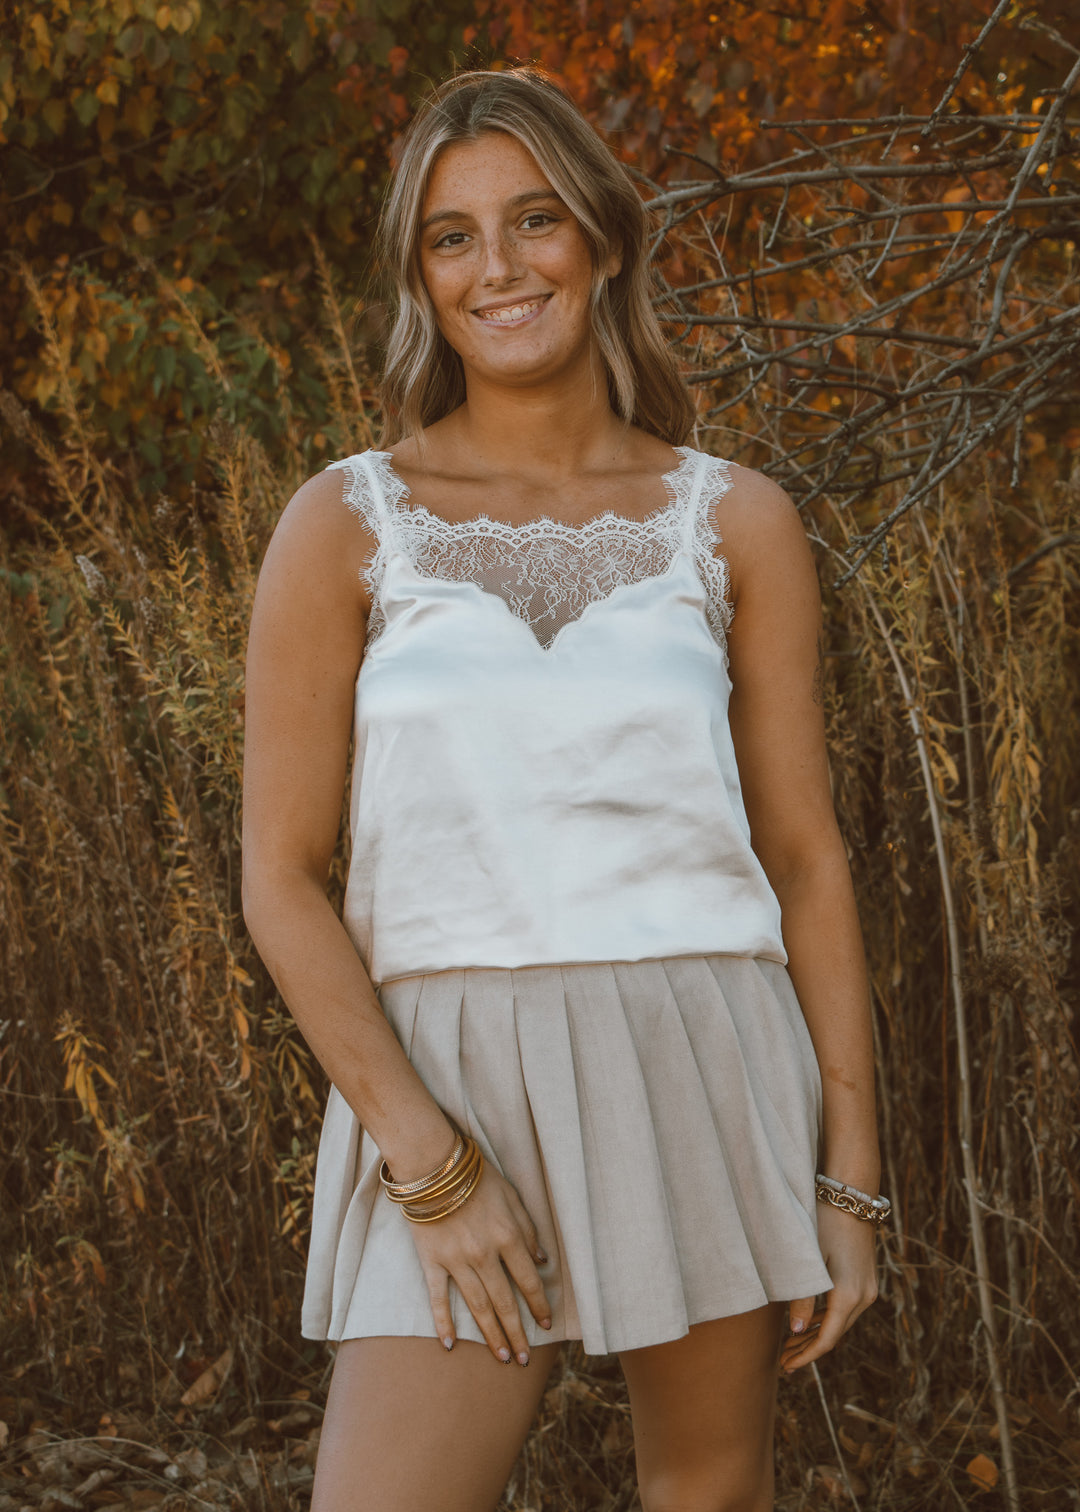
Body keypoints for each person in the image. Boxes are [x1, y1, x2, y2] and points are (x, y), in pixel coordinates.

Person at [241, 65, 885, 1512]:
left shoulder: (736, 520)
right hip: (445, 1068)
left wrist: (851, 1181)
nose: (500, 267)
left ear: (600, 238)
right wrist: (426, 1161)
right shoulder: (345, 521)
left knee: (707, 1496)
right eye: (453, 236)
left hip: (701, 1041)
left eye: (534, 220)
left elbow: (806, 858)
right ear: (421, 276)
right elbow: (279, 876)